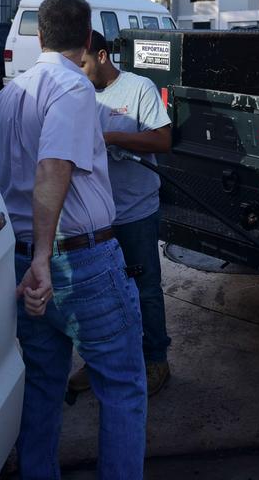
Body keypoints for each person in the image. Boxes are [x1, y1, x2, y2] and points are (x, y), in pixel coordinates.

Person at [0, 0, 147, 480]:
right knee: (122, 386)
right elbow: (53, 167)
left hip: (25, 263)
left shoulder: (11, 93)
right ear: (86, 38)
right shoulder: (74, 88)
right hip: (76, 265)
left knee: (42, 382)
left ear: (39, 36)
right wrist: (43, 260)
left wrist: (32, 261)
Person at [71, 31, 174, 397]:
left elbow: (163, 139)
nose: (78, 72)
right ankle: (99, 362)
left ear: (102, 56)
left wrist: (113, 138)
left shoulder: (138, 88)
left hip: (135, 214)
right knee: (101, 293)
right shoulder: (78, 94)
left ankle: (155, 360)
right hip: (95, 217)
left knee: (143, 287)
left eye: (82, 63)